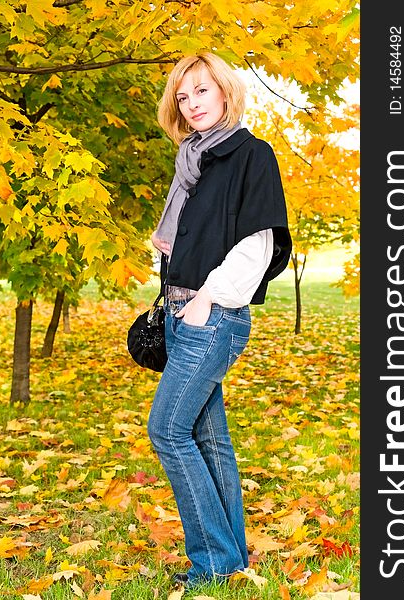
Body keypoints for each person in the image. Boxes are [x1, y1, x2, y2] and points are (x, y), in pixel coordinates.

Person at [147, 52, 291, 589]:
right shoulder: (192, 160)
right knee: (208, 439)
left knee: (167, 430)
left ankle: (210, 562)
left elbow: (257, 244)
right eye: (183, 97)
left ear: (225, 92)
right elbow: (195, 234)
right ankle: (231, 560)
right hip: (179, 310)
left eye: (201, 91)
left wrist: (208, 297)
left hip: (212, 314)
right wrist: (166, 250)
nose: (191, 105)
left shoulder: (252, 155)